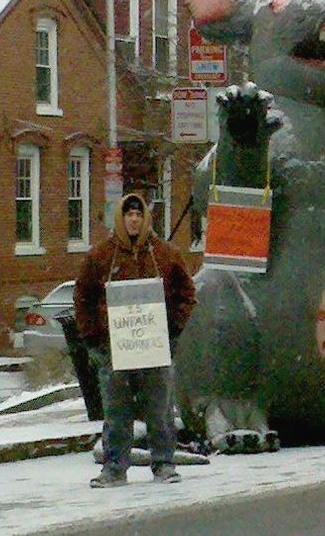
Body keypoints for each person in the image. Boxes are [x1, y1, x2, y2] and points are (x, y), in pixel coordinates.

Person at [74, 192, 196, 488]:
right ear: (121, 218)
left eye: (138, 215)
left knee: (160, 409)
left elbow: (187, 294)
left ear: (145, 219)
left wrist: (173, 331)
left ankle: (165, 463)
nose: (134, 220)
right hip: (114, 351)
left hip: (155, 349)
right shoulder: (100, 257)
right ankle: (114, 468)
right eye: (129, 215)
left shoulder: (165, 254)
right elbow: (83, 298)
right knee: (116, 411)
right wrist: (93, 341)